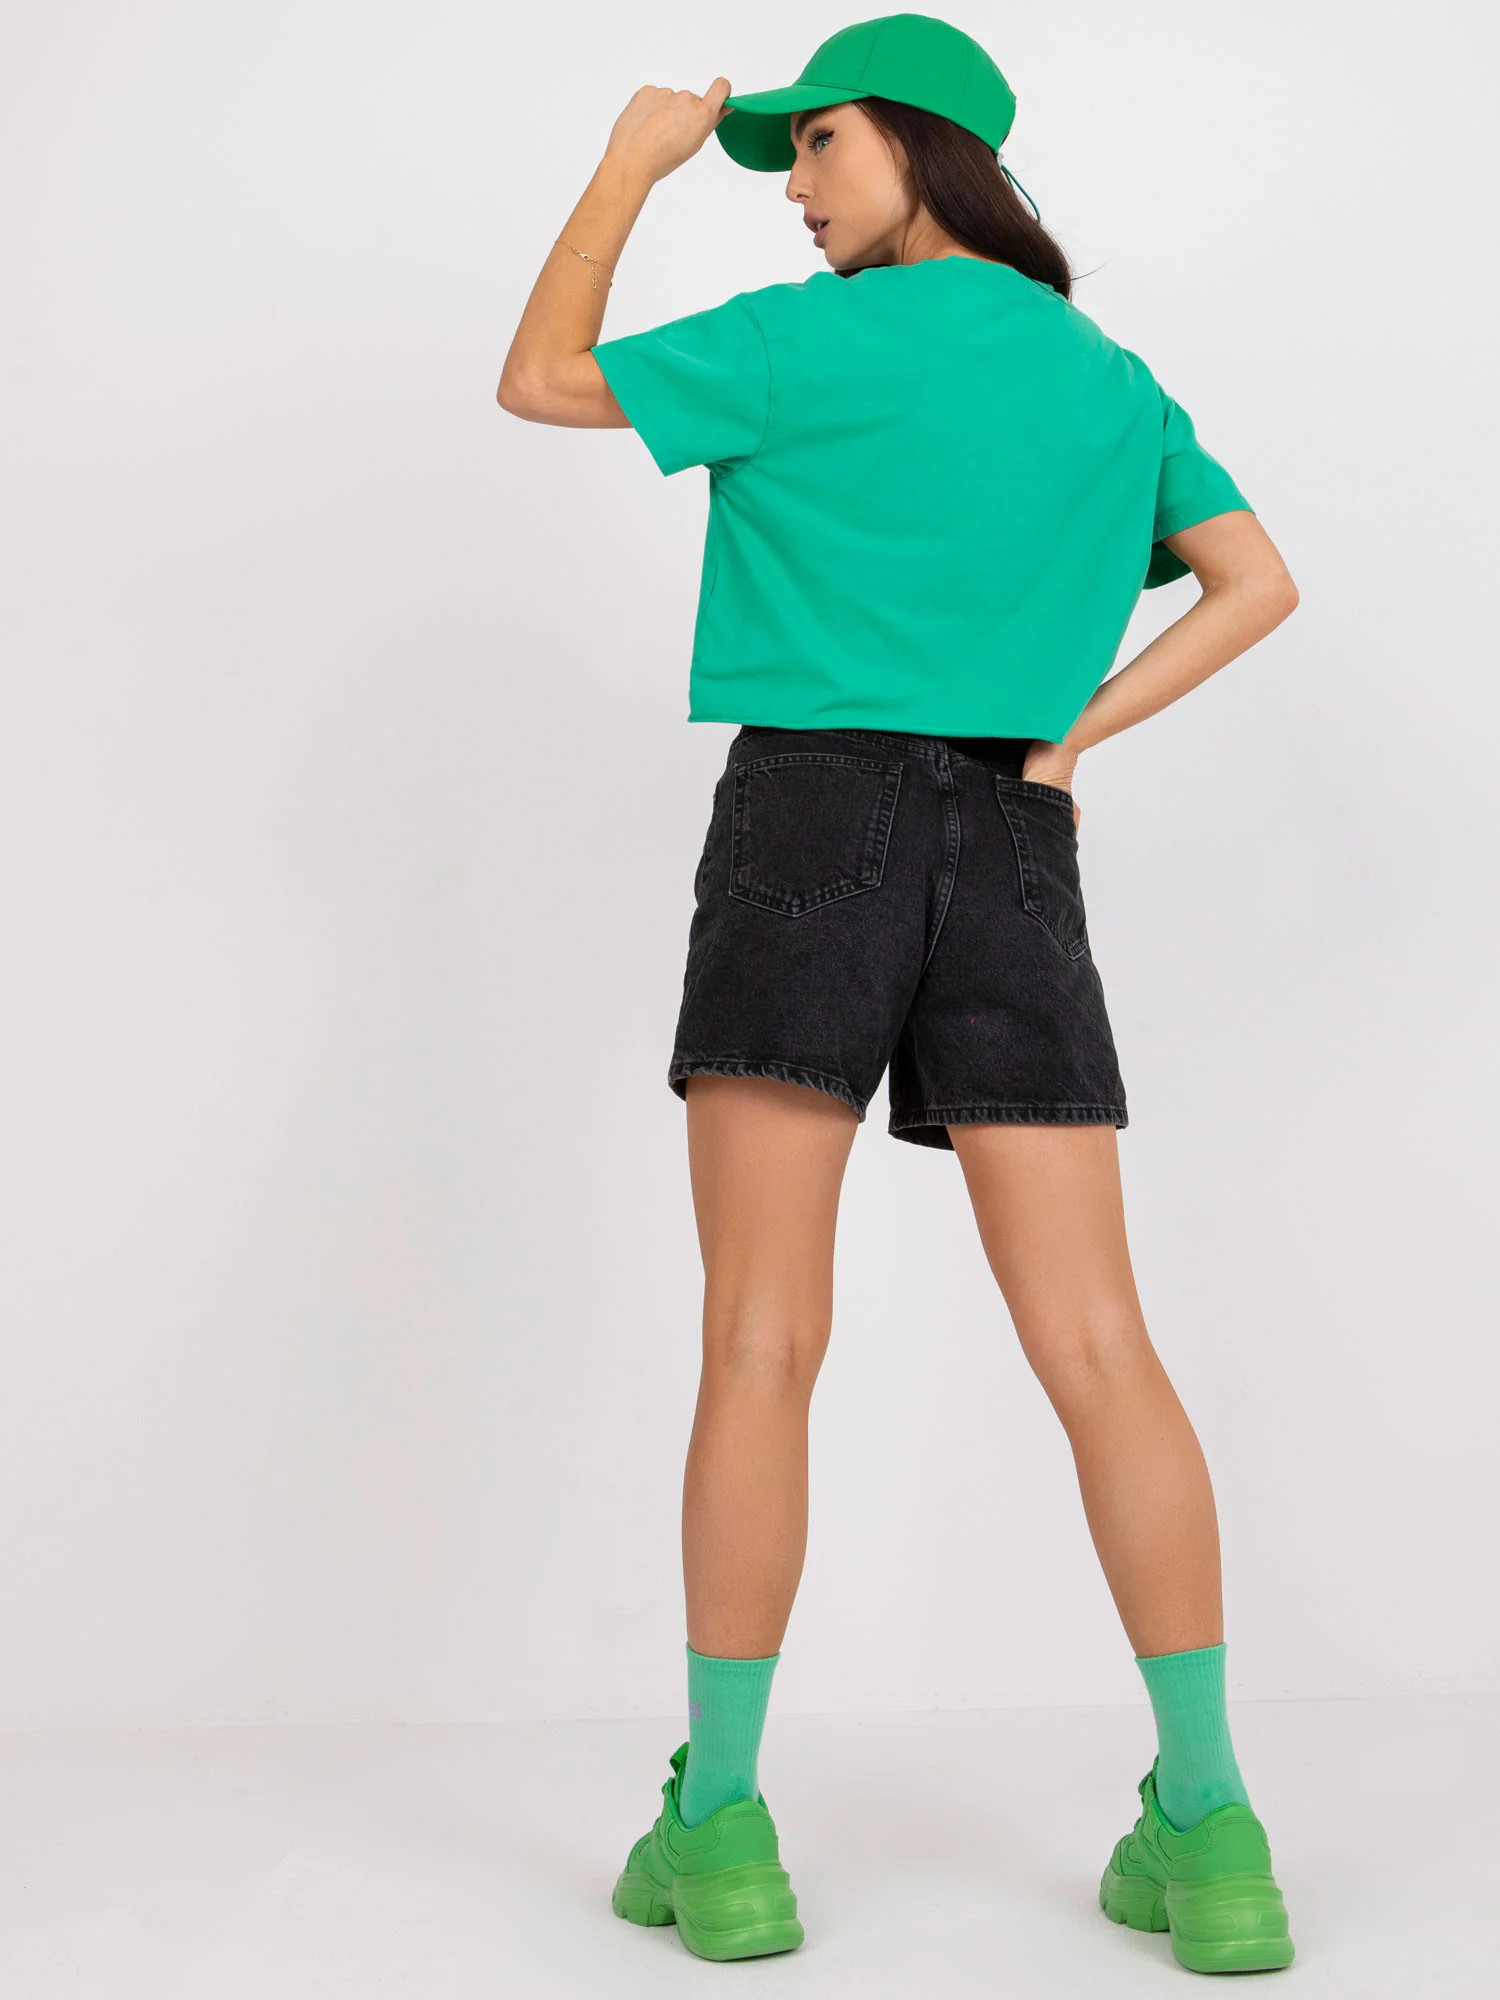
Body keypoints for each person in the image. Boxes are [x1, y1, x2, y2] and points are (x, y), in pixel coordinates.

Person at [498, 12, 1298, 1976]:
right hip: (1017, 838)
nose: (792, 183)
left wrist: (630, 162)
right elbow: (1256, 579)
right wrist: (1070, 737)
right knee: (1101, 1341)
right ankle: (1212, 1827)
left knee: (762, 1336)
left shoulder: (805, 343)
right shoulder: (1103, 379)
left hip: (808, 817)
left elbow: (541, 379)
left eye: (820, 142)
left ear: (927, 147)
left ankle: (722, 1823)